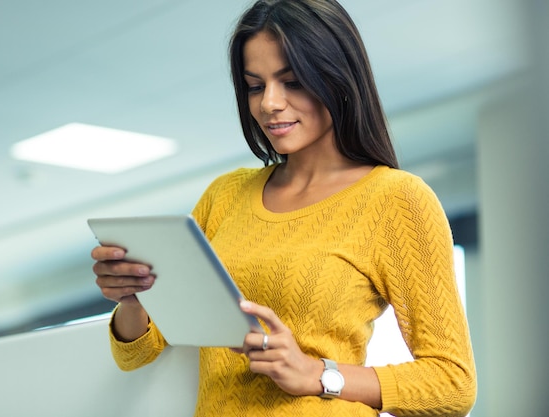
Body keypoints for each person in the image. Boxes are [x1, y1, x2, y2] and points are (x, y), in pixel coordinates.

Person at [91, 0, 477, 416]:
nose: (269, 104)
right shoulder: (225, 196)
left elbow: (452, 385)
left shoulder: (396, 200)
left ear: (339, 79)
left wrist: (318, 375)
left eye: (291, 82)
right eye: (255, 86)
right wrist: (132, 301)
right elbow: (135, 355)